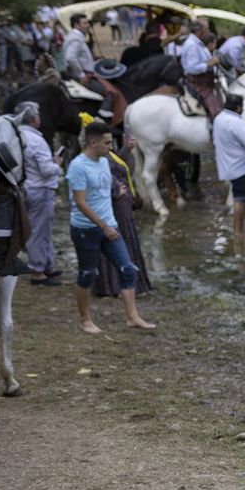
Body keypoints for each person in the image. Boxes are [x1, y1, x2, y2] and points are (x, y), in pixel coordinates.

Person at [65, 123, 155, 333]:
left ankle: (132, 317)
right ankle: (85, 319)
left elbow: (108, 185)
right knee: (87, 274)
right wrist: (104, 226)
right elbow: (80, 203)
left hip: (109, 226)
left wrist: (118, 191)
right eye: (107, 143)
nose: (110, 146)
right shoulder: (78, 166)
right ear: (92, 142)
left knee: (128, 269)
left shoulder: (105, 161)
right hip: (86, 229)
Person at [9, 105, 62, 285]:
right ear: (33, 120)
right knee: (39, 230)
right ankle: (38, 271)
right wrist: (58, 164)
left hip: (27, 188)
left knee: (41, 228)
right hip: (42, 189)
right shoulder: (37, 140)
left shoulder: (15, 136)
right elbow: (47, 170)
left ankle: (47, 265)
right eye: (38, 114)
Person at [90, 149, 151, 301]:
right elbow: (97, 178)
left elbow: (125, 170)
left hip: (121, 202)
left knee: (125, 238)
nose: (109, 145)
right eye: (107, 142)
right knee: (119, 240)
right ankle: (116, 285)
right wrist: (115, 189)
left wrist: (126, 150)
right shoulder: (95, 158)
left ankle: (127, 283)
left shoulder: (109, 155)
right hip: (115, 203)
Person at [213, 94, 245, 238]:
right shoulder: (235, 121)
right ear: (238, 108)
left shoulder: (219, 118)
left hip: (231, 164)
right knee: (240, 198)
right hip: (241, 166)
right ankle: (238, 231)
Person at [180, 19, 222, 118]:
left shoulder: (198, 43)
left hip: (206, 80)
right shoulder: (192, 45)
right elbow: (191, 68)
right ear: (199, 31)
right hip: (199, 83)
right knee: (216, 111)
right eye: (206, 29)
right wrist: (209, 64)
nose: (208, 32)